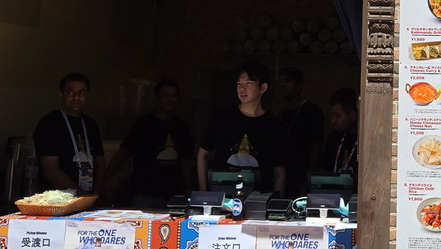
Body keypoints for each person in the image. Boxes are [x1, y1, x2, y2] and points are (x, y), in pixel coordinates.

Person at [197, 63, 287, 195]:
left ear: (263, 88)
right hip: (222, 196)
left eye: (248, 83)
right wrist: (203, 193)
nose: (242, 88)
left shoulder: (273, 125)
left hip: (258, 198)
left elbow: (279, 170)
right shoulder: (222, 118)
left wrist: (277, 202)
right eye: (239, 83)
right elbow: (202, 153)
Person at [106, 79, 194, 208]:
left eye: (174, 95)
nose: (170, 99)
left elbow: (185, 160)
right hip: (146, 193)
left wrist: (189, 189)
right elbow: (125, 151)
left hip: (174, 194)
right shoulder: (143, 124)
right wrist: (106, 176)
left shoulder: (181, 127)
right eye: (165, 95)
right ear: (157, 98)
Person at [33, 73, 105, 194]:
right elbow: (51, 171)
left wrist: (95, 196)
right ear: (61, 94)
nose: (76, 97)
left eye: (82, 93)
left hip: (89, 198)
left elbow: (100, 164)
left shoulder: (90, 124)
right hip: (58, 200)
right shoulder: (50, 123)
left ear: (88, 96)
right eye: (71, 92)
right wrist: (84, 197)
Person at [276, 67, 325, 196]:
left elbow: (317, 147)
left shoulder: (311, 111)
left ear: (299, 85)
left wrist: (308, 180)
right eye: (280, 81)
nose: (282, 85)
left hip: (302, 177)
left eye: (287, 81)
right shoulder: (281, 114)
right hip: (283, 178)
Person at [322, 88, 359, 177]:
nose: (333, 121)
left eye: (337, 116)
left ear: (352, 115)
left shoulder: (364, 140)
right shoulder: (333, 137)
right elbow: (326, 170)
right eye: (333, 115)